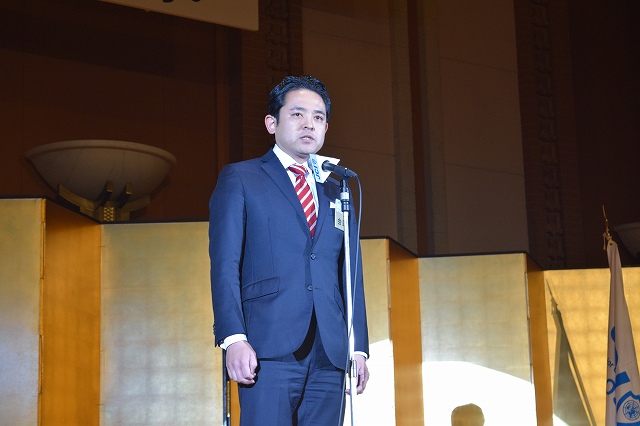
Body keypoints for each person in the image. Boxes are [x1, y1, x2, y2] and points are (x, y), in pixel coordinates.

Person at [209, 75, 370, 425]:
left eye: (318, 116)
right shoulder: (241, 178)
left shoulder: (337, 189)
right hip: (266, 346)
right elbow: (225, 264)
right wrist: (233, 338)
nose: (309, 123)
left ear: (326, 127)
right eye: (297, 114)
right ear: (272, 123)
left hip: (330, 352)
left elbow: (350, 274)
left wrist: (358, 347)